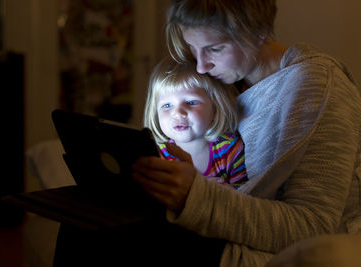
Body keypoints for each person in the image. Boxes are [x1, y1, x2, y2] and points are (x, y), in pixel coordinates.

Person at [132, 0, 361, 266]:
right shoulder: (226, 84)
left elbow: (314, 228)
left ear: (258, 31)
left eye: (214, 49)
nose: (201, 66)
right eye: (193, 49)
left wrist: (196, 197)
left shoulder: (317, 88)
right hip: (229, 235)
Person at [144, 56, 247, 188]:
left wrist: (217, 192)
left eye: (191, 102)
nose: (178, 113)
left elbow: (246, 197)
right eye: (167, 106)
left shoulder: (231, 150)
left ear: (215, 108)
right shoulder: (157, 155)